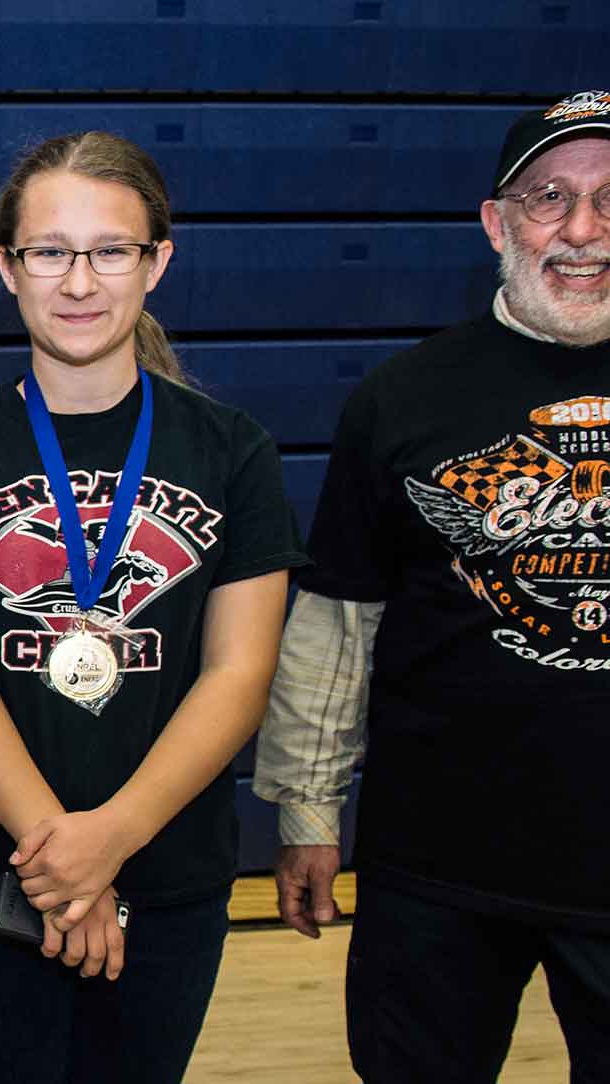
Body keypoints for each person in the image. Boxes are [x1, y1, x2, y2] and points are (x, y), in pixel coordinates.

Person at [0, 132, 305, 1083]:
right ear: (8, 266)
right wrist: (62, 868)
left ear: (158, 262)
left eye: (111, 250)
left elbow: (240, 672)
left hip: (168, 870)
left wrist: (109, 839)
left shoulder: (233, 451)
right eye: (50, 251)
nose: (80, 281)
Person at [254, 91, 610, 1082]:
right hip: (439, 868)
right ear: (499, 223)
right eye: (550, 198)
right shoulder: (403, 398)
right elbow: (335, 628)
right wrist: (308, 812)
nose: (582, 231)